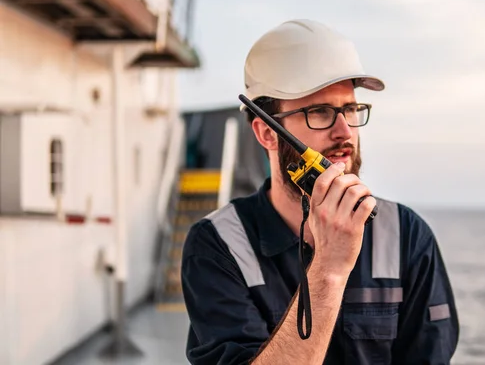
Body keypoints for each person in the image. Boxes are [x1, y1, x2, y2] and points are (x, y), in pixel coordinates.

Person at [181, 19, 459, 364]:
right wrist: (328, 268)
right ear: (267, 133)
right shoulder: (218, 244)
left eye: (352, 109)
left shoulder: (405, 234)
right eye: (320, 113)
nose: (345, 131)